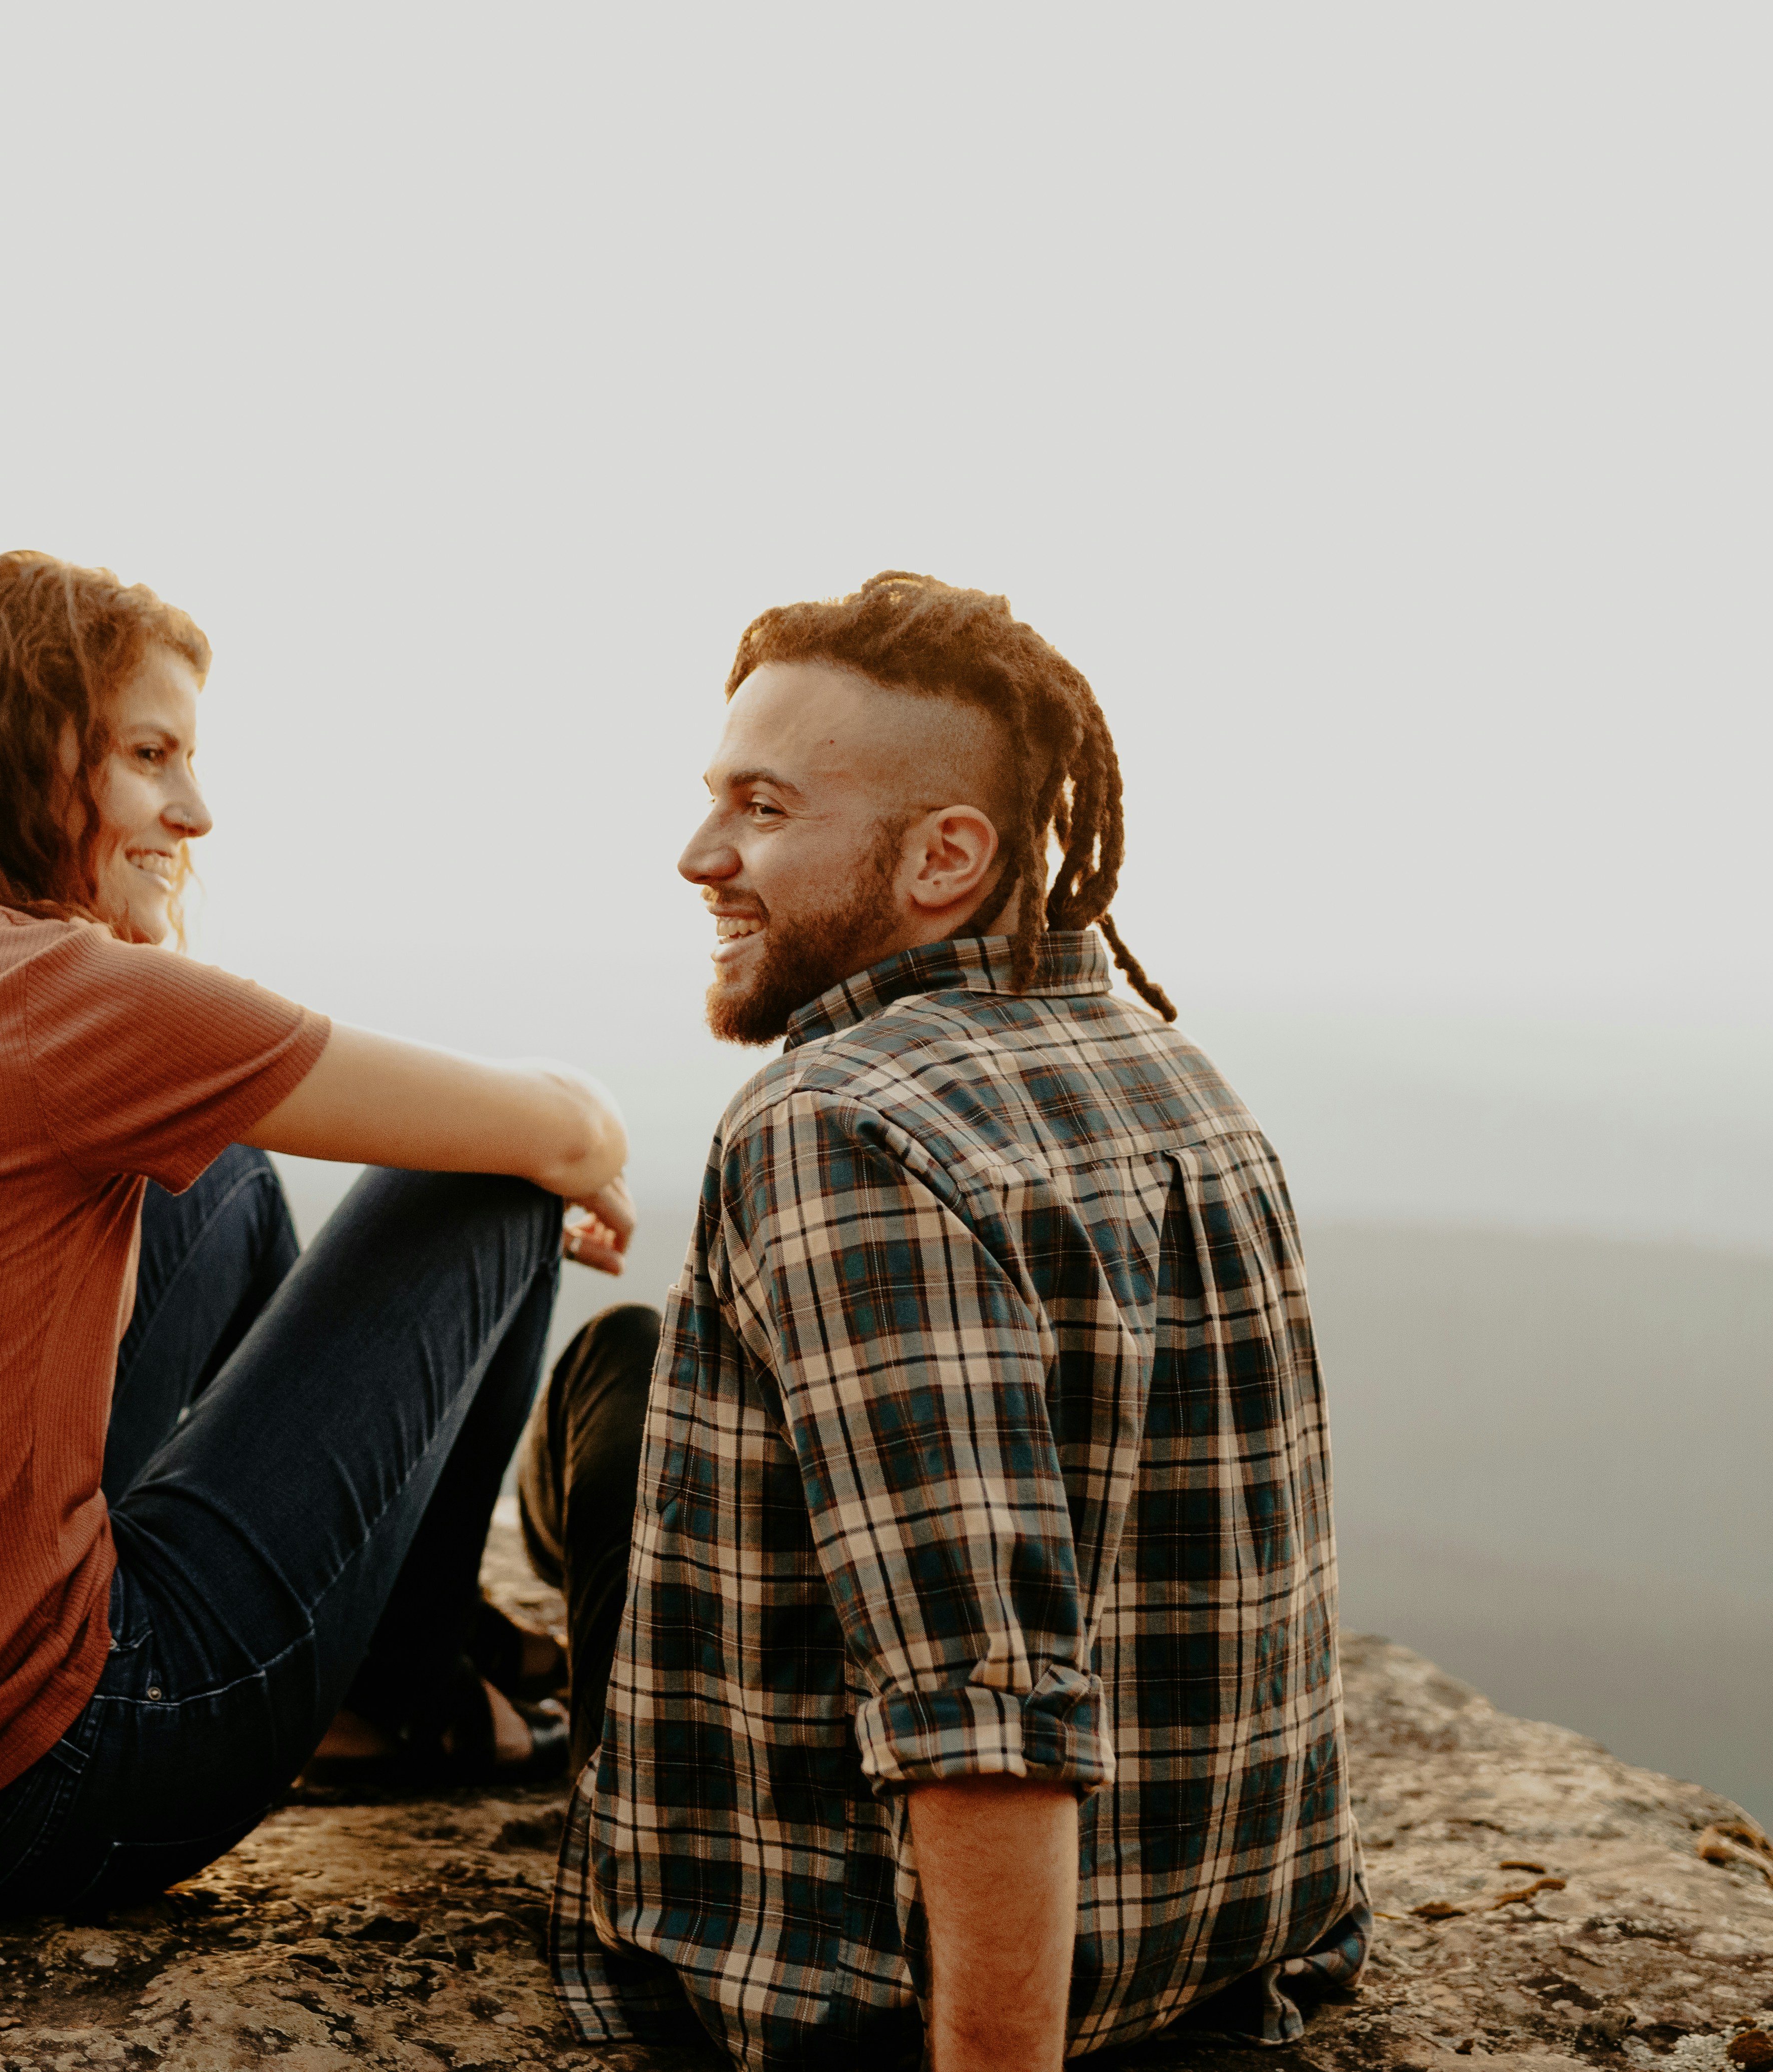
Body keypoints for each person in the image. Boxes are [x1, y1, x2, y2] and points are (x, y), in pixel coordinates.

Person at [0, 548, 631, 1915]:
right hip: (32, 1791)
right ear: (23, 750)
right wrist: (578, 1144)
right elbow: (561, 1135)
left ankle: (356, 1678)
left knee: (222, 1176)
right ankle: (405, 1694)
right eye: (152, 755)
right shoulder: (54, 991)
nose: (194, 812)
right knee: (484, 1189)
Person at [530, 574, 1369, 2071]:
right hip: (1221, 1945)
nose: (698, 856)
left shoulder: (838, 1118)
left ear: (944, 857)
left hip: (883, 1991)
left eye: (766, 810)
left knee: (622, 1381)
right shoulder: (1184, 1081)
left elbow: (979, 1689)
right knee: (629, 1366)